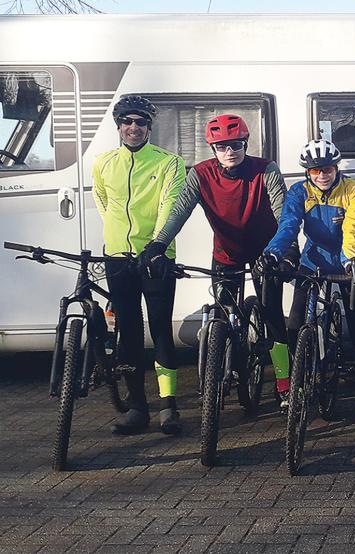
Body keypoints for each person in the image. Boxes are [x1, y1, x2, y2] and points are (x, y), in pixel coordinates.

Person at [144, 114, 290, 411]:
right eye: (221, 146)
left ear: (245, 144)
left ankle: (285, 385)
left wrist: (286, 251)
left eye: (236, 144)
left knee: (272, 314)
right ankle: (233, 366)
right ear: (212, 148)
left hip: (267, 252)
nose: (229, 151)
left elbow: (284, 215)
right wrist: (158, 244)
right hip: (226, 253)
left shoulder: (266, 170)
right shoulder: (201, 174)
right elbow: (178, 212)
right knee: (224, 316)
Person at [263, 139, 355, 434]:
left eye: (327, 169)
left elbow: (354, 227)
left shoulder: (354, 190)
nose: (322, 175)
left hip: (347, 264)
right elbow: (288, 224)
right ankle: (298, 386)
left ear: (336, 168)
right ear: (307, 173)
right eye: (315, 171)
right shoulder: (299, 192)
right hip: (311, 262)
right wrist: (274, 251)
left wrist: (350, 260)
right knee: (294, 324)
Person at [92, 95, 185, 435]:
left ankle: (168, 405)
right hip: (118, 258)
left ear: (149, 126)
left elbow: (170, 206)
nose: (134, 127)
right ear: (118, 125)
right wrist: (118, 242)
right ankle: (136, 408)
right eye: (127, 121)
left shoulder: (168, 163)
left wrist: (155, 247)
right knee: (127, 332)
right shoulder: (103, 163)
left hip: (157, 258)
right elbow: (103, 201)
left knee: (161, 328)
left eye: (141, 122)